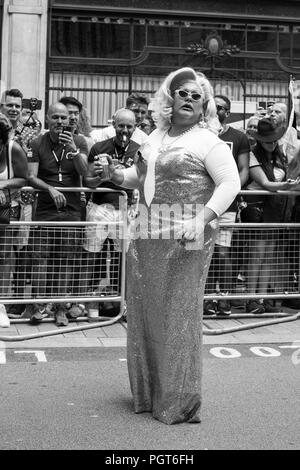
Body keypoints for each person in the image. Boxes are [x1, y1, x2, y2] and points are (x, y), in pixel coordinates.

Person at [93, 67, 240, 424]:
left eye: (195, 95)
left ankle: (179, 401)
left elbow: (230, 184)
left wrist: (200, 220)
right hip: (146, 234)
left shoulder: (208, 140)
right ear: (169, 99)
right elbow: (139, 178)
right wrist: (116, 174)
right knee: (144, 313)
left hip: (186, 236)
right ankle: (148, 394)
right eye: (182, 93)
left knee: (178, 316)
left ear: (204, 103)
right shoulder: (155, 136)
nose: (188, 99)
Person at [25, 102, 88, 326]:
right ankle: (40, 307)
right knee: (40, 259)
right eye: (56, 118)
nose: (60, 122)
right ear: (48, 119)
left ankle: (61, 308)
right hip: (45, 209)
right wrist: (50, 189)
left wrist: (74, 149)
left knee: (66, 261)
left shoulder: (79, 141)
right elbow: (31, 176)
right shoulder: (36, 142)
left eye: (64, 118)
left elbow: (85, 172)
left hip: (70, 211)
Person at [83, 108, 140, 314]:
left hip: (125, 210)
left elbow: (142, 182)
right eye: (121, 125)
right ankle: (89, 302)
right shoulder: (99, 148)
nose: (124, 130)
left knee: (122, 259)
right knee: (92, 255)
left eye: (129, 126)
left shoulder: (139, 150)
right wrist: (101, 177)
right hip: (99, 208)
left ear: (135, 127)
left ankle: (121, 303)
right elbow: (87, 181)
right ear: (114, 125)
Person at [243, 117, 299, 313]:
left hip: (274, 211)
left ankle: (261, 298)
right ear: (259, 140)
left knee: (268, 256)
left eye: (274, 140)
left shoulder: (280, 156)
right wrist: (287, 185)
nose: (272, 144)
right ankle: (251, 299)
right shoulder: (251, 155)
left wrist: (290, 184)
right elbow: (265, 184)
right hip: (257, 210)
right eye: (267, 141)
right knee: (256, 256)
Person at [204, 94, 249, 315]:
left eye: (221, 108)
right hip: (202, 206)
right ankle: (208, 298)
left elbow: (244, 170)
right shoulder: (202, 135)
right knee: (205, 253)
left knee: (222, 253)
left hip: (227, 207)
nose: (217, 110)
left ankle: (224, 299)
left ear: (227, 113)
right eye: (213, 107)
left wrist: (228, 191)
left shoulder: (238, 137)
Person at [0, 113, 28, 327]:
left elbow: (24, 178)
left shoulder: (13, 149)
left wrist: (2, 185)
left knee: (5, 255)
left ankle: (1, 304)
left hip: (6, 210)